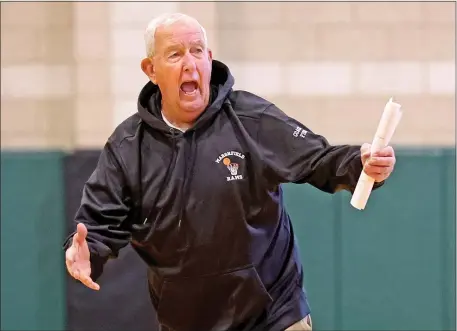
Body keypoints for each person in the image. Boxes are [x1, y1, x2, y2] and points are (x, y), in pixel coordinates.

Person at [64, 13, 396, 331]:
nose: (190, 63)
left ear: (209, 58)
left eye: (197, 51)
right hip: (187, 323)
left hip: (273, 316)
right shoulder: (127, 147)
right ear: (151, 69)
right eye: (175, 54)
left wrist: (361, 163)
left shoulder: (252, 118)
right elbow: (99, 223)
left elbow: (320, 160)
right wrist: (86, 251)